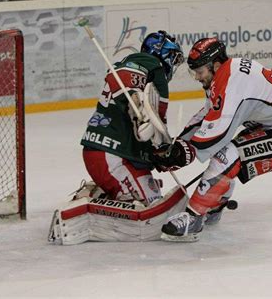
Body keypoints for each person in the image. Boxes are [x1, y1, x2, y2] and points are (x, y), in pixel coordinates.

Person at [153, 38, 272, 242]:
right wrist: (180, 142)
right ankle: (214, 202)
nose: (196, 77)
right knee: (229, 152)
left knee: (228, 154)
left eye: (200, 71)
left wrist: (182, 153)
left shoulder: (231, 82)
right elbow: (207, 113)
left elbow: (216, 132)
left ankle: (194, 217)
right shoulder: (225, 73)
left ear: (215, 64)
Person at [48, 31, 187, 245]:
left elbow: (149, 126)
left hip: (109, 153)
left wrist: (156, 155)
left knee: (153, 196)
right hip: (111, 157)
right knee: (149, 209)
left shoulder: (139, 67)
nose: (173, 65)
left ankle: (102, 194)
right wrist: (134, 99)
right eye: (173, 57)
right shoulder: (150, 65)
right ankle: (78, 212)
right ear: (162, 53)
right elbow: (122, 78)